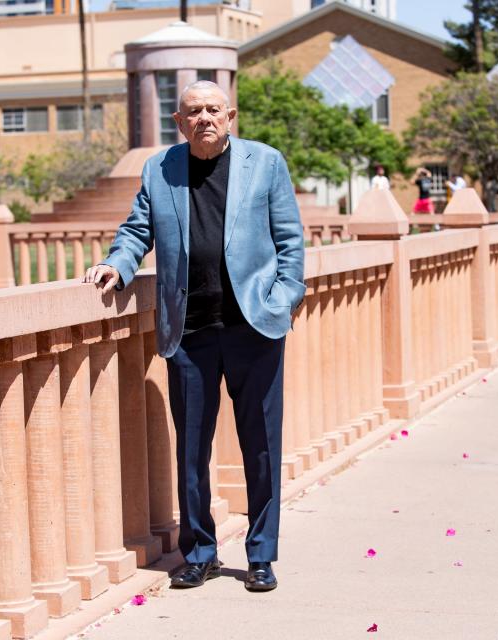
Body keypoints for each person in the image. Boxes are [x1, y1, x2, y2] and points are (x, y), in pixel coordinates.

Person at [83, 81, 304, 593]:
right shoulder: (161, 169)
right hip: (189, 331)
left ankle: (261, 554)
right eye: (193, 112)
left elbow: (291, 239)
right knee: (191, 451)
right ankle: (200, 551)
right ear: (179, 123)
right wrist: (117, 263)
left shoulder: (266, 162)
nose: (204, 118)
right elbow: (138, 228)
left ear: (230, 116)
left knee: (262, 447)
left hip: (254, 327)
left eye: (213, 110)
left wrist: (285, 296)